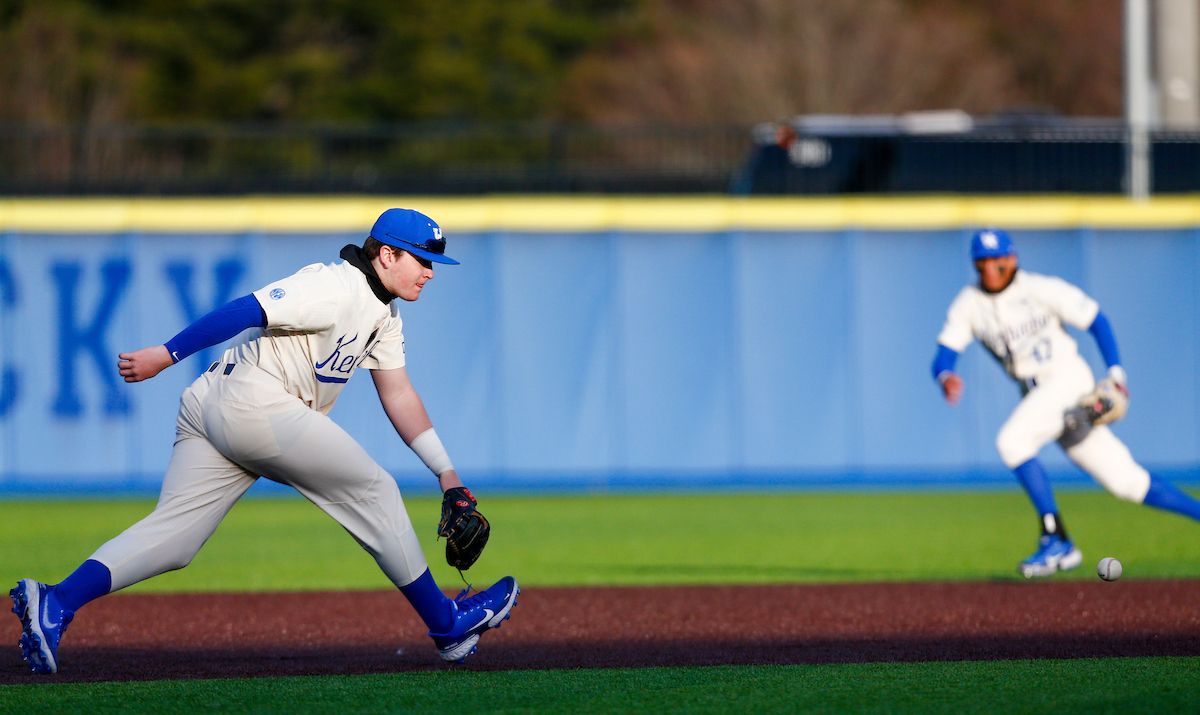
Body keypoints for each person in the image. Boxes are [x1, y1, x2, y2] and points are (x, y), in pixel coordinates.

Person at [10, 208, 518, 674]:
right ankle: (447, 625)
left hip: (218, 405)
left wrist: (447, 475)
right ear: (386, 254)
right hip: (252, 401)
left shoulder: (385, 315)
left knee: (175, 540)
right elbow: (244, 310)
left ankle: (54, 602)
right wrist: (167, 353)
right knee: (374, 489)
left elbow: (399, 394)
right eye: (422, 260)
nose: (429, 272)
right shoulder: (335, 287)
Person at [932, 228, 1200, 578]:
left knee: (1011, 441)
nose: (988, 268)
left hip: (1067, 380)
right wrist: (946, 376)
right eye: (981, 262)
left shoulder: (1040, 289)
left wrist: (1117, 375)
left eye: (995, 260)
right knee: (1127, 482)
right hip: (1038, 395)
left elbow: (1097, 320)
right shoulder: (969, 303)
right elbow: (943, 355)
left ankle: (1056, 538)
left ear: (1011, 259)